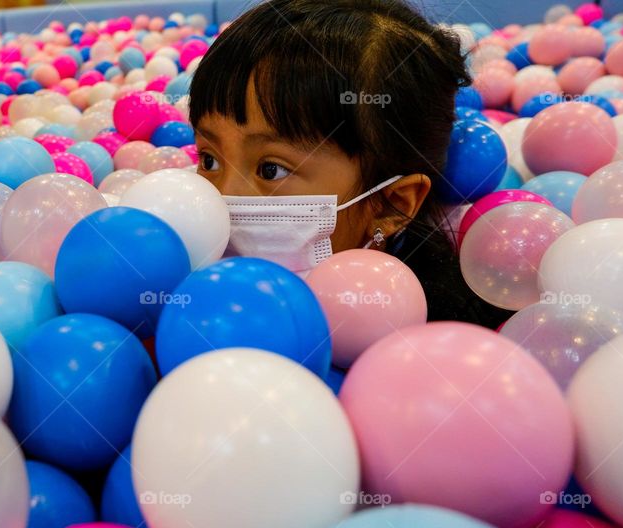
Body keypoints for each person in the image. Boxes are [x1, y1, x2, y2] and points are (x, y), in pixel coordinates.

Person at [189, 0, 511, 328]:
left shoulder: (444, 338)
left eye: (271, 169)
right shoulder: (174, 295)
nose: (222, 196)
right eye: (209, 160)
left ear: (390, 205)